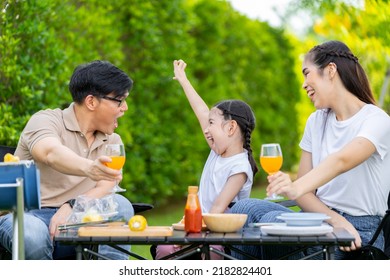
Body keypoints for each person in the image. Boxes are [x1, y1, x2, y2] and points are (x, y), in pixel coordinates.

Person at [230, 40, 390, 260]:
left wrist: (294, 187)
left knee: (272, 227)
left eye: (307, 73)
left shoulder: (376, 120)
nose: (304, 84)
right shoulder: (316, 121)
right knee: (244, 208)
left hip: (359, 232)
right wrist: (334, 219)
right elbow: (305, 193)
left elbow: (342, 160)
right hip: (321, 221)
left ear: (331, 70)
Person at [0, 60, 135, 260]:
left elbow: (107, 186)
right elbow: (50, 153)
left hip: (79, 217)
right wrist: (90, 168)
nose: (124, 108)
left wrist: (72, 206)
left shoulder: (112, 140)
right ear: (91, 102)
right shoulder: (46, 120)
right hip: (28, 215)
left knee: (122, 205)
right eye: (119, 101)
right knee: (32, 233)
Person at [155, 59, 258, 259]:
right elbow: (201, 111)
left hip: (221, 236)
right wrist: (184, 81)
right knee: (165, 249)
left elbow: (218, 209)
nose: (206, 129)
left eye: (211, 123)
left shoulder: (240, 167)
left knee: (210, 251)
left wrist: (191, 233)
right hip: (197, 227)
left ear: (230, 128)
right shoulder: (217, 149)